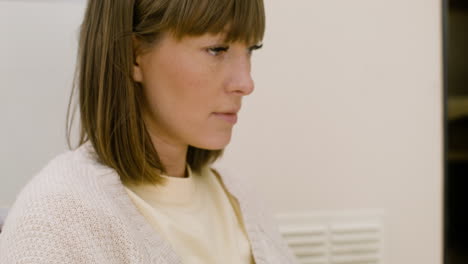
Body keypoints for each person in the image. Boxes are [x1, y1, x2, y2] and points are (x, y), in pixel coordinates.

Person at [0, 0, 299, 263]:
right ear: (133, 55)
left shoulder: (240, 198)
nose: (246, 83)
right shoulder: (54, 222)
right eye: (216, 49)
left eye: (250, 50)